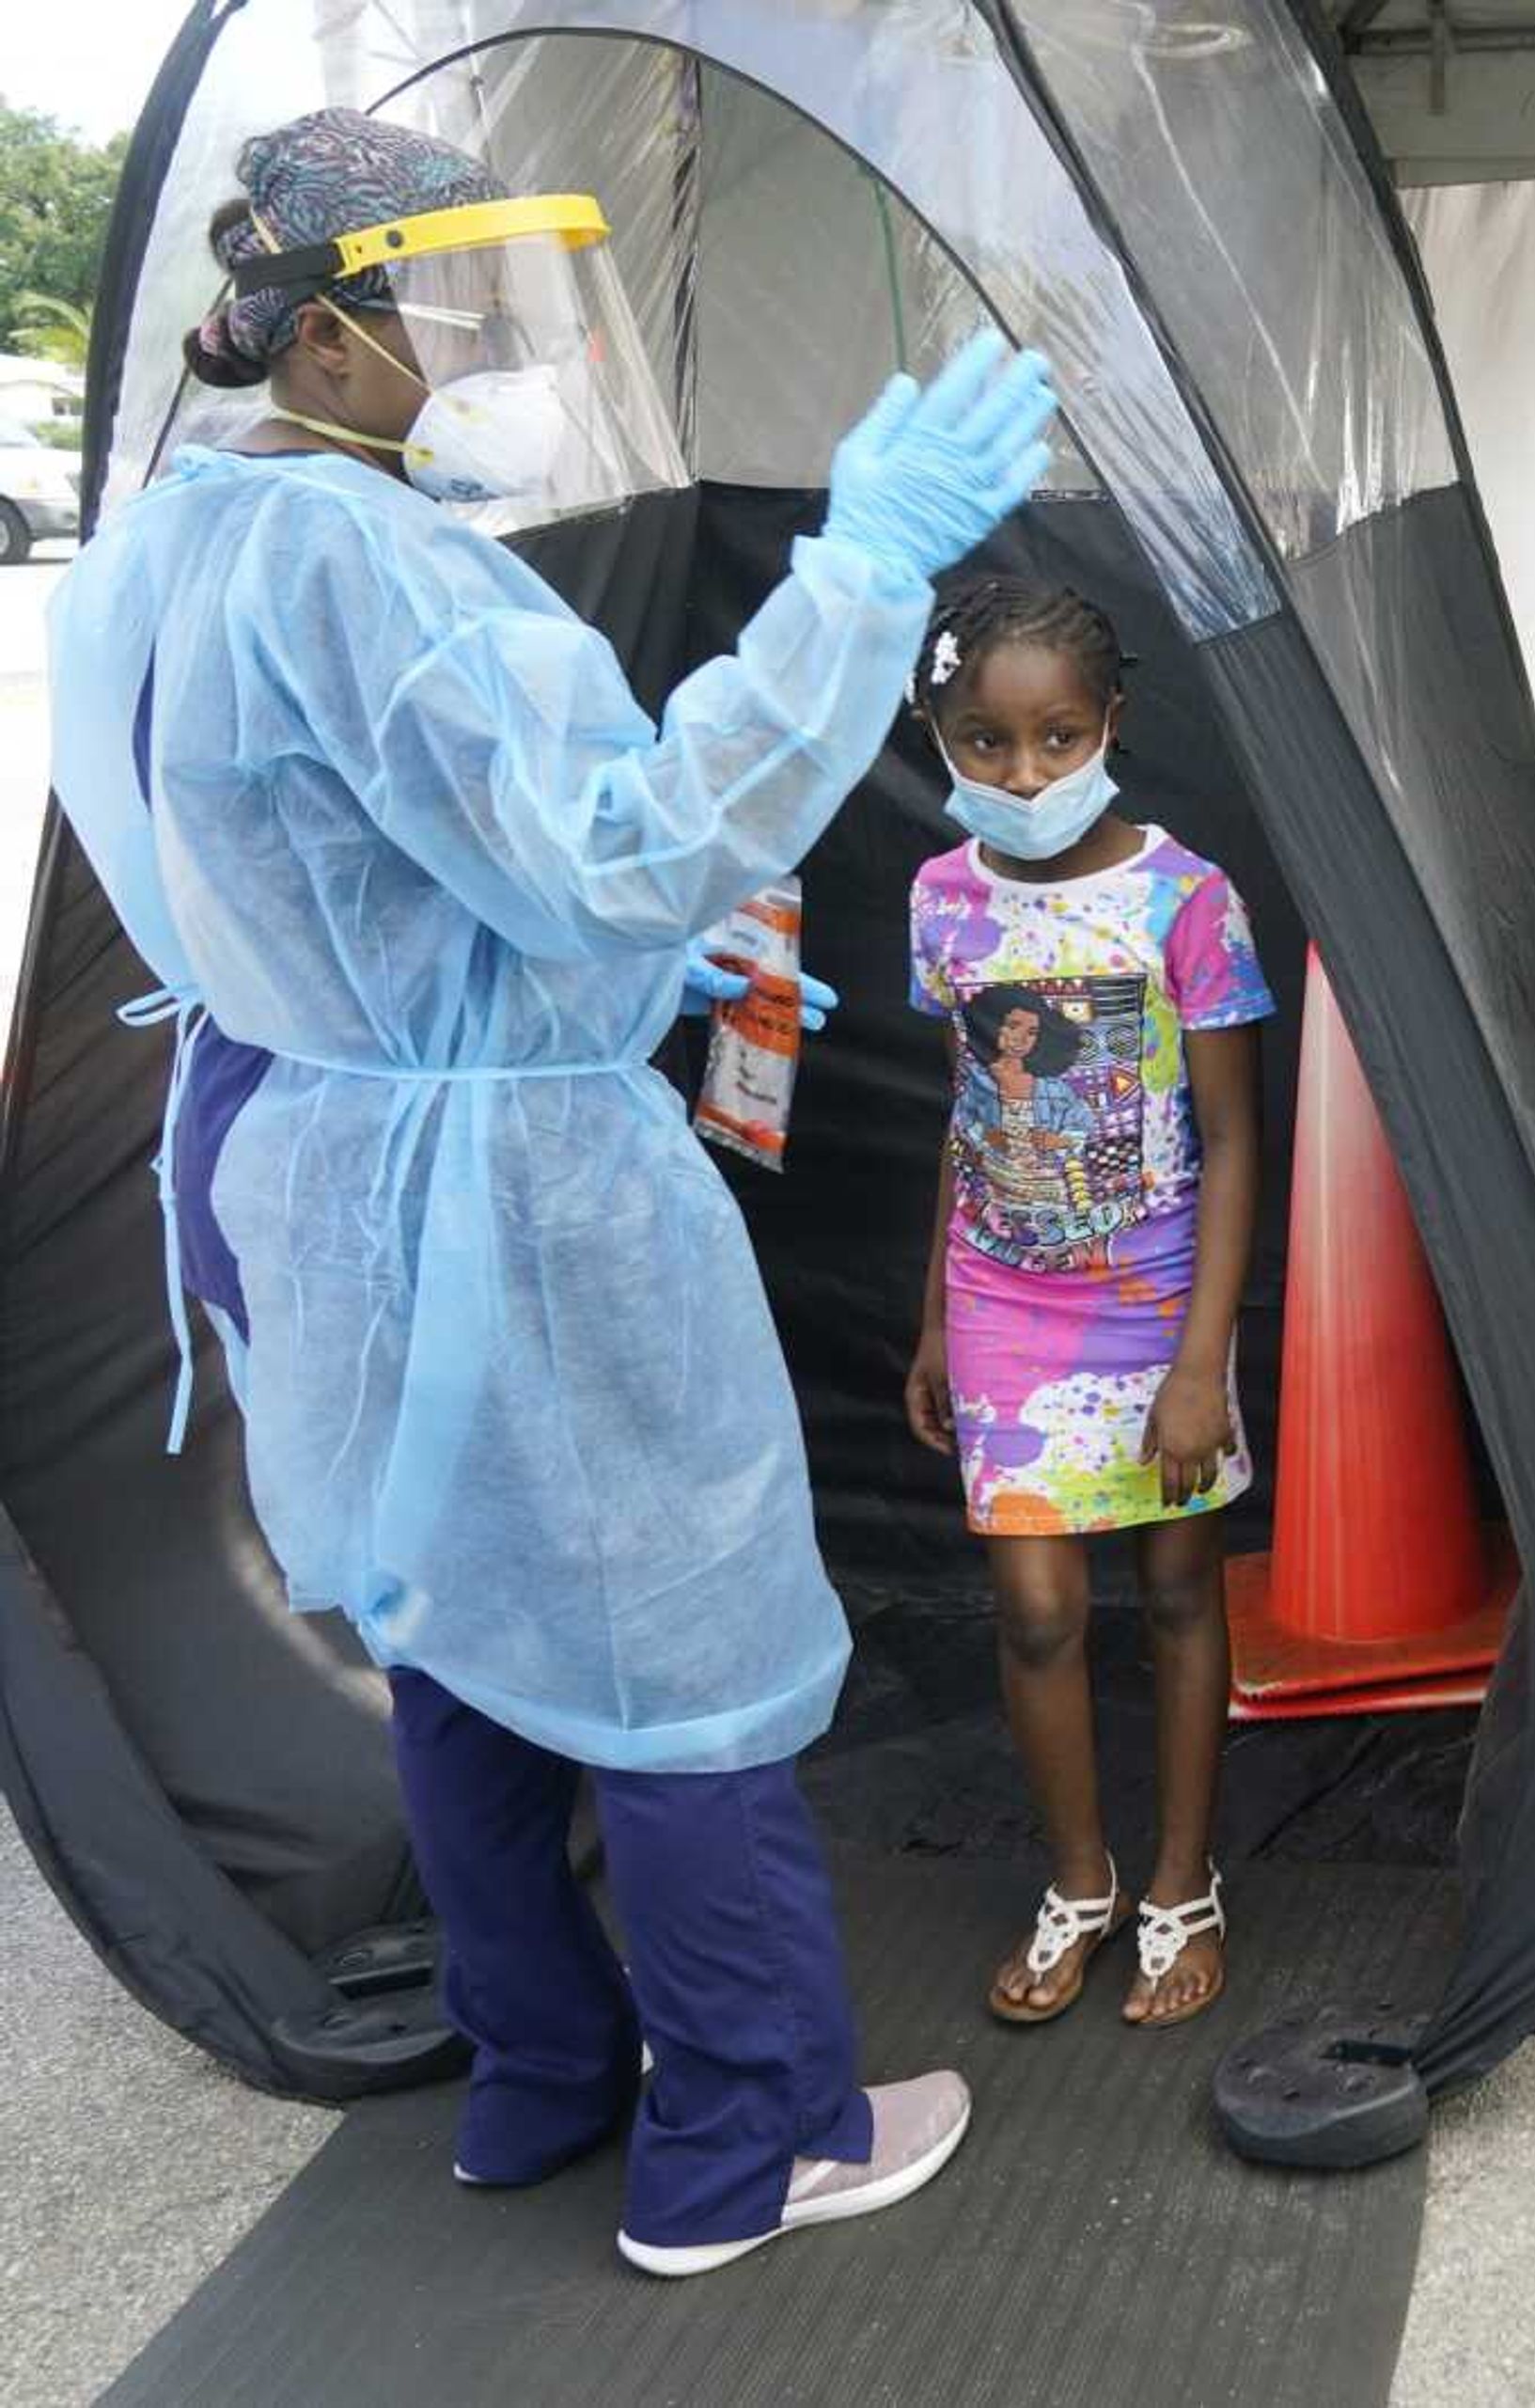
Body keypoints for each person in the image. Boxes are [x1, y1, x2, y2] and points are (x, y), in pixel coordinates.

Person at [45, 108, 1056, 2275]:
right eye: (446, 307)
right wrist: (862, 566)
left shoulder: (149, 553)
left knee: (463, 1643)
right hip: (500, 1189)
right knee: (671, 1659)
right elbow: (620, 836)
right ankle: (751, 2140)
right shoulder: (364, 558)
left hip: (313, 1157)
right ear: (320, 338)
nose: (487, 355)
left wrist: (584, 952)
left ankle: (540, 2075)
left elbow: (342, 864)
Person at [899, 575, 1273, 2034]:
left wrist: (1201, 1363)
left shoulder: (1187, 900)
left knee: (1179, 1589)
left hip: (1158, 1303)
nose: (1028, 773)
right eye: (986, 743)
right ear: (939, 735)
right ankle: (1081, 1877)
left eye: (1058, 738)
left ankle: (1185, 1879)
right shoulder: (944, 900)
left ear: (1111, 724)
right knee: (1038, 1607)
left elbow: (1237, 1139)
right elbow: (962, 1121)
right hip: (1003, 1298)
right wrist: (938, 1312)